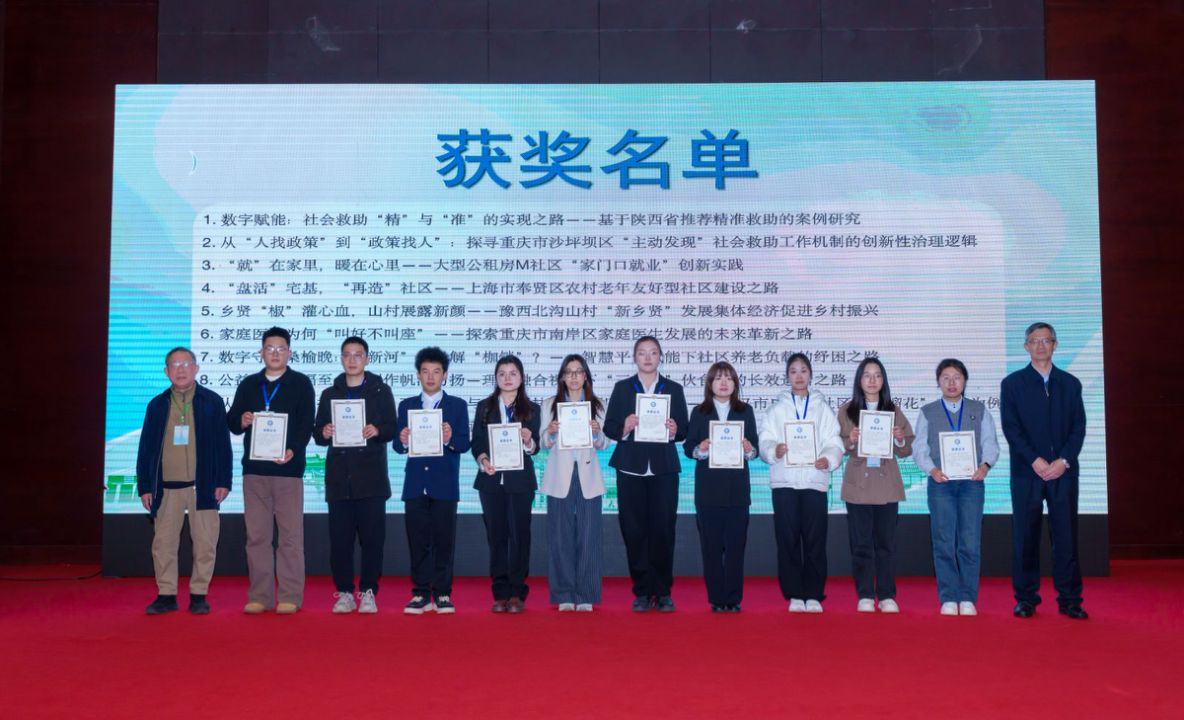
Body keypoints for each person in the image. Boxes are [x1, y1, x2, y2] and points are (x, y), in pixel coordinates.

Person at [1001, 322, 1088, 619]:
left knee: (1066, 537)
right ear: (1026, 346)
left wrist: (1063, 460)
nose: (1040, 345)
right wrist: (1034, 460)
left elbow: (1078, 427)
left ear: (1055, 345)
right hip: (1027, 473)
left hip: (1063, 472)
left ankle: (1070, 599)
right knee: (1025, 537)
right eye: (1034, 341)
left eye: (1046, 340)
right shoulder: (1012, 384)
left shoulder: (1070, 384)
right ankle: (1026, 598)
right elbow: (1011, 429)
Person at [137, 346, 232, 615]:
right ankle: (166, 594)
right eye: (174, 365)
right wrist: (145, 486)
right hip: (166, 487)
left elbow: (223, 445)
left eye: (186, 364)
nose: (181, 370)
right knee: (163, 544)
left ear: (196, 368)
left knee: (205, 542)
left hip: (204, 485)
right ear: (166, 371)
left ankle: (199, 594)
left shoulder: (212, 401)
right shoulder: (157, 405)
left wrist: (223, 480)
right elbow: (146, 449)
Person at [227, 327, 316, 614]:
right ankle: (260, 596)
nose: (275, 353)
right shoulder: (249, 384)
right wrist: (242, 420)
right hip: (254, 472)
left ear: (290, 352)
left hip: (288, 471)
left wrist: (293, 450)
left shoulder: (301, 383)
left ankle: (290, 595)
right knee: (257, 537)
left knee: (290, 537)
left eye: (280, 348)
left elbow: (307, 424)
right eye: (269, 348)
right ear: (261, 352)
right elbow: (232, 422)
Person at [604, 335, 689, 612]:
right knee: (634, 530)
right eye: (642, 353)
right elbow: (609, 427)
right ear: (635, 357)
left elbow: (685, 430)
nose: (648, 357)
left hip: (664, 469)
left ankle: (662, 591)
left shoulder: (673, 389)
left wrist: (675, 430)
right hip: (631, 468)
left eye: (653, 352)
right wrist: (625, 427)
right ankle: (641, 590)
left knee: (664, 530)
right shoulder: (622, 388)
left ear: (660, 356)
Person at [313, 336, 397, 614]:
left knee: (373, 541)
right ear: (341, 359)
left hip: (371, 479)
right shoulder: (329, 393)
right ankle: (345, 592)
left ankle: (369, 592)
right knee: (340, 542)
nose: (352, 360)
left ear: (367, 359)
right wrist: (324, 432)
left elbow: (392, 427)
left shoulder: (381, 391)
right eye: (347, 355)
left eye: (358, 355)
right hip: (339, 480)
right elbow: (318, 434)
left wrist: (378, 430)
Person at [912, 359, 1000, 616]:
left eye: (957, 377)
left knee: (970, 542)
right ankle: (949, 597)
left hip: (972, 483)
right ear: (938, 382)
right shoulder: (928, 411)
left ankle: (968, 597)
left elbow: (990, 443)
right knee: (943, 541)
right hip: (941, 483)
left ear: (965, 380)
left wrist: (985, 465)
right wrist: (932, 470)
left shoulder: (979, 409)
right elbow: (919, 448)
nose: (952, 383)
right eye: (946, 378)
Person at [758, 353, 843, 614]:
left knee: (815, 541)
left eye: (803, 370)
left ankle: (814, 593)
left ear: (811, 375)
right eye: (793, 371)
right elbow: (764, 440)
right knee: (788, 540)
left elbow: (834, 441)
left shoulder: (823, 409)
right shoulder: (776, 410)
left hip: (814, 482)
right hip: (784, 483)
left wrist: (828, 459)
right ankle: (795, 593)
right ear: (787, 376)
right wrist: (774, 450)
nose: (799, 376)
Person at [393, 346, 471, 614]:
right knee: (417, 541)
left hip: (444, 484)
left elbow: (464, 444)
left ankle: (443, 593)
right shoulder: (406, 405)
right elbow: (397, 446)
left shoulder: (457, 406)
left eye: (436, 371)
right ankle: (420, 593)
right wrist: (403, 440)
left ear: (445, 375)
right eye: (425, 371)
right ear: (417, 375)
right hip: (415, 484)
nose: (430, 377)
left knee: (444, 541)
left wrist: (449, 439)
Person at [837, 357, 914, 613]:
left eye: (877, 375)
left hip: (886, 484)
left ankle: (887, 594)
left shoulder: (893, 409)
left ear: (884, 380)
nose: (872, 380)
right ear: (859, 380)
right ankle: (865, 594)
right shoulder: (847, 410)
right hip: (858, 484)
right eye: (867, 375)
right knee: (860, 544)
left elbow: (907, 448)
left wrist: (900, 439)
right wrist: (850, 439)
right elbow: (836, 446)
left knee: (886, 544)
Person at [683, 361, 759, 612]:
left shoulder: (745, 411)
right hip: (708, 492)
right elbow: (688, 448)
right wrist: (701, 448)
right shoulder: (699, 412)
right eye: (718, 378)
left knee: (736, 548)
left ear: (736, 384)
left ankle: (733, 599)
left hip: (737, 492)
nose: (724, 383)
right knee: (711, 548)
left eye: (728, 378)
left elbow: (755, 450)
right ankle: (717, 598)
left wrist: (749, 448)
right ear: (710, 384)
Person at [540, 354, 611, 612]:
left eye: (578, 371)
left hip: (588, 476)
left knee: (589, 536)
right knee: (560, 537)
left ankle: (586, 594)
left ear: (586, 376)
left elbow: (605, 444)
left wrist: (597, 432)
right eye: (568, 372)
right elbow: (542, 443)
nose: (573, 376)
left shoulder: (598, 405)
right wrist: (550, 432)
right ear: (562, 377)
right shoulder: (550, 404)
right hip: (559, 476)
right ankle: (564, 594)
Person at [471, 355, 541, 613]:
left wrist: (528, 440)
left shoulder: (532, 409)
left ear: (521, 378)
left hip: (520, 482)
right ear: (496, 378)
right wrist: (483, 459)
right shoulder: (484, 407)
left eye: (513, 373)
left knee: (520, 537)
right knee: (496, 537)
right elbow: (477, 442)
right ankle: (500, 593)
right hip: (491, 481)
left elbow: (536, 448)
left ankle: (517, 593)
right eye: (502, 373)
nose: (507, 378)